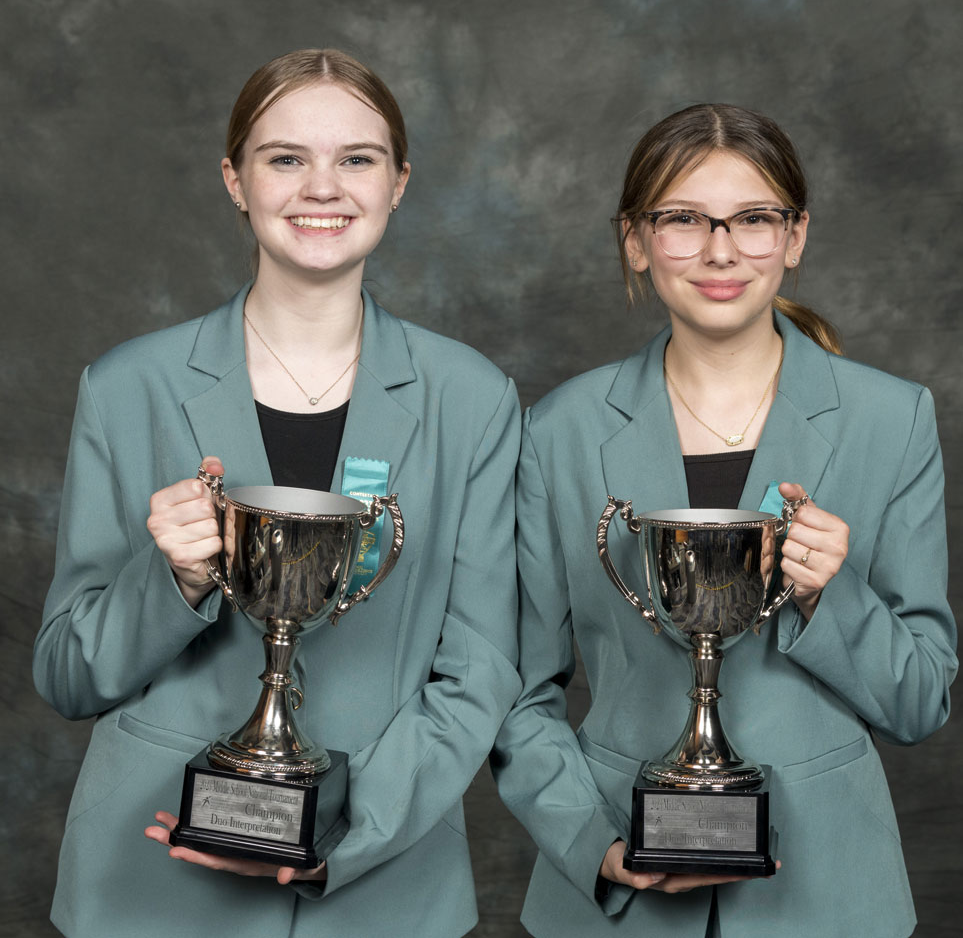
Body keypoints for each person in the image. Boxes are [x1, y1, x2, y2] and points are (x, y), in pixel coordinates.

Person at [34, 48, 521, 938]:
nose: (321, 188)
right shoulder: (126, 386)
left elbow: (480, 668)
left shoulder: (473, 397)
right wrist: (170, 580)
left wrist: (344, 831)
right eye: (285, 157)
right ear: (235, 179)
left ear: (399, 182)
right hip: (150, 883)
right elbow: (68, 673)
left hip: (381, 886)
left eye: (357, 159)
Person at [492, 104, 957, 938]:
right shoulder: (557, 431)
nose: (720, 250)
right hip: (614, 894)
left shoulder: (892, 420)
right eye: (682, 219)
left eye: (752, 219)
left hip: (825, 895)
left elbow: (921, 701)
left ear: (795, 236)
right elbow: (519, 695)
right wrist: (594, 845)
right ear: (635, 239)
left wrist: (829, 596)